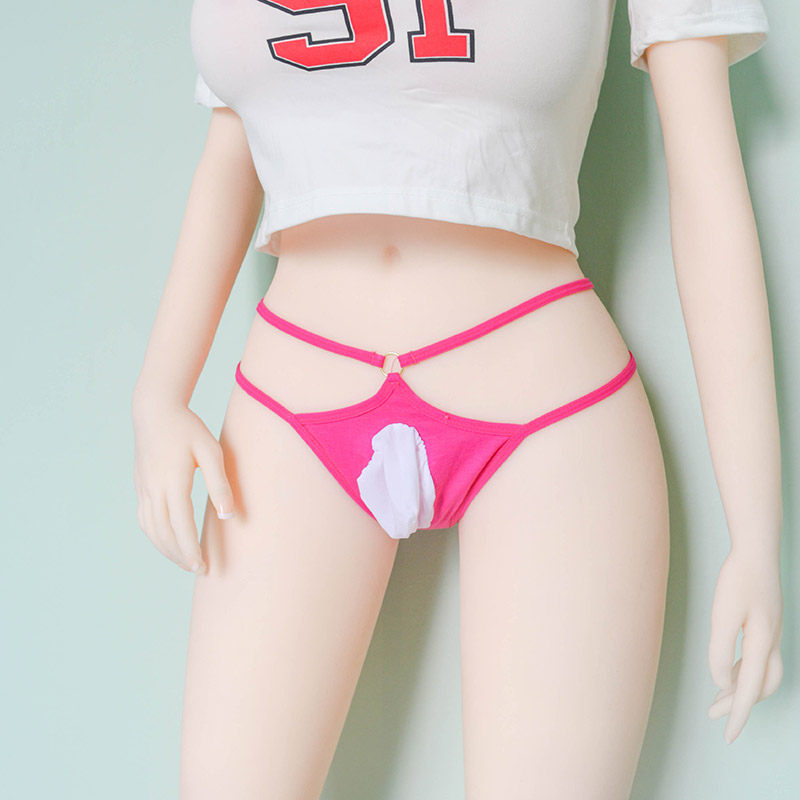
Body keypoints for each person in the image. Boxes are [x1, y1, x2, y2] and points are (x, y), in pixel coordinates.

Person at [132, 1, 784, 797]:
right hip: (290, 399)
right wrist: (159, 393)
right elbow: (237, 135)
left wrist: (757, 532)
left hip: (545, 411)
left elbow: (706, 185)